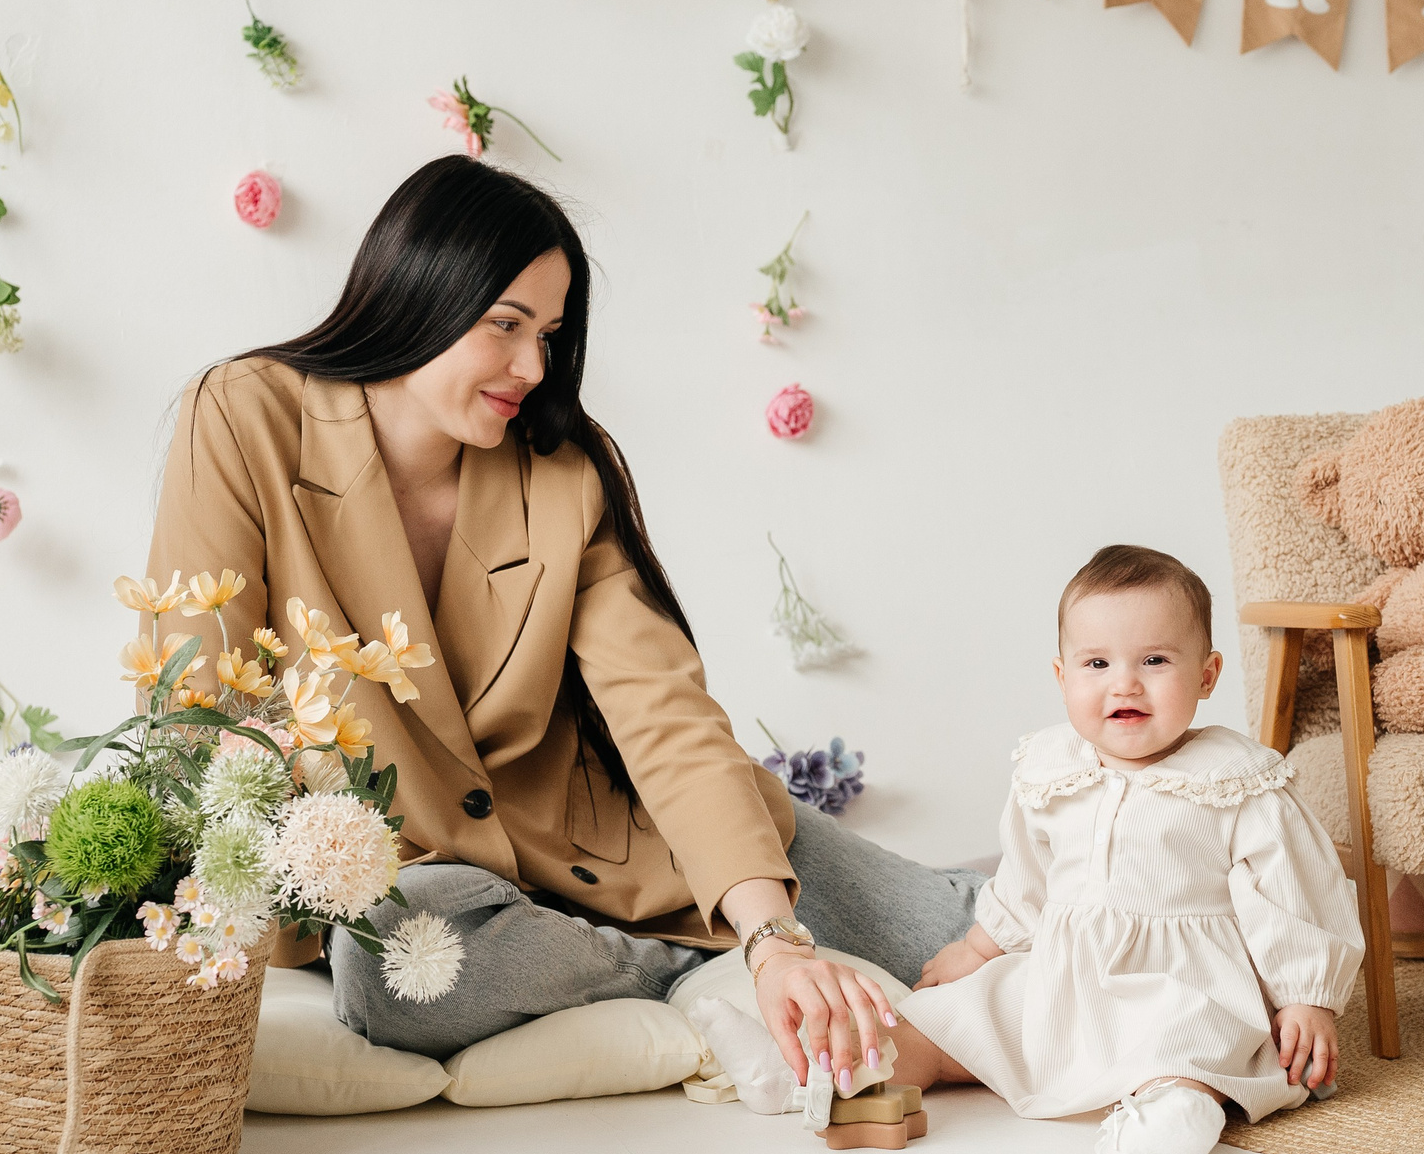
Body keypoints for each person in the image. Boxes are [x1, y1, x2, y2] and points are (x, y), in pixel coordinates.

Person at [146, 155, 968, 1074]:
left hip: (628, 841)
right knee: (394, 973)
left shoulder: (564, 465)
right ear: (417, 290)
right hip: (411, 881)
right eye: (505, 325)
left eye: (550, 332)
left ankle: (725, 949)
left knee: (978, 932)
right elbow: (202, 700)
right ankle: (680, 965)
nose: (534, 366)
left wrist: (772, 935)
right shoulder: (243, 415)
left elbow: (661, 708)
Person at [707, 545, 1364, 1154]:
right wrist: (979, 946)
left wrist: (1308, 995)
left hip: (1180, 978)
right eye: (1097, 663)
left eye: (1155, 659)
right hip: (1065, 978)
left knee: (1189, 1041)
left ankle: (1177, 1109)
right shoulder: (1052, 769)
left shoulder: (1237, 778)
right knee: (947, 1021)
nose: (1125, 682)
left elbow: (1294, 890)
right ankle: (810, 1072)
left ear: (1208, 674)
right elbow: (1025, 877)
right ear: (1063, 677)